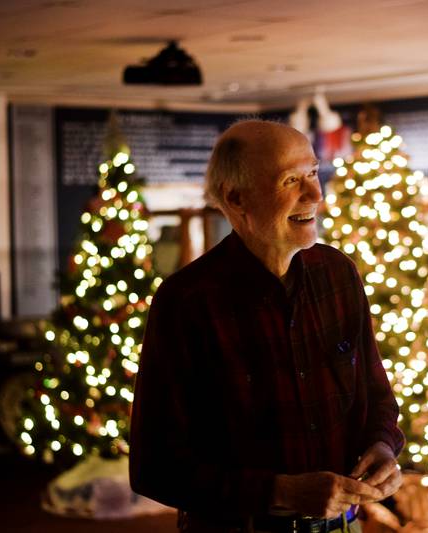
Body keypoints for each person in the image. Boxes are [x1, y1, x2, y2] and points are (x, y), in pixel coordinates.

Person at [129, 120, 404, 533]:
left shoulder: (338, 274)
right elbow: (155, 468)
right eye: (290, 180)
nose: (315, 194)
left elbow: (376, 396)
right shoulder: (187, 302)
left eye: (313, 172)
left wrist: (383, 445)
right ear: (237, 199)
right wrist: (282, 492)